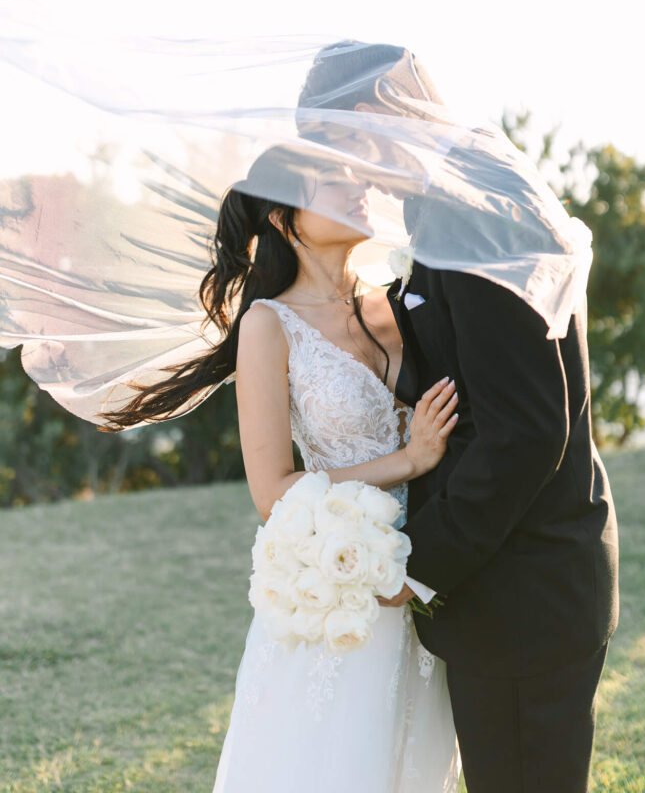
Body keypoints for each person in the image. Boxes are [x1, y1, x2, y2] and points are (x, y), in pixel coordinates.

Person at [298, 42, 621, 793]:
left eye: (340, 142)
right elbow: (477, 373)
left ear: (378, 114)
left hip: (525, 592)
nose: (348, 171)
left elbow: (527, 430)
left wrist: (415, 564)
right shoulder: (461, 186)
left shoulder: (469, 206)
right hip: (519, 585)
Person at [99, 145, 462, 793]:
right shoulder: (270, 325)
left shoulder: (398, 305)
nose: (356, 187)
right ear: (280, 217)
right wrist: (409, 458)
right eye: (330, 181)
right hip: (336, 584)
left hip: (423, 574)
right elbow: (273, 492)